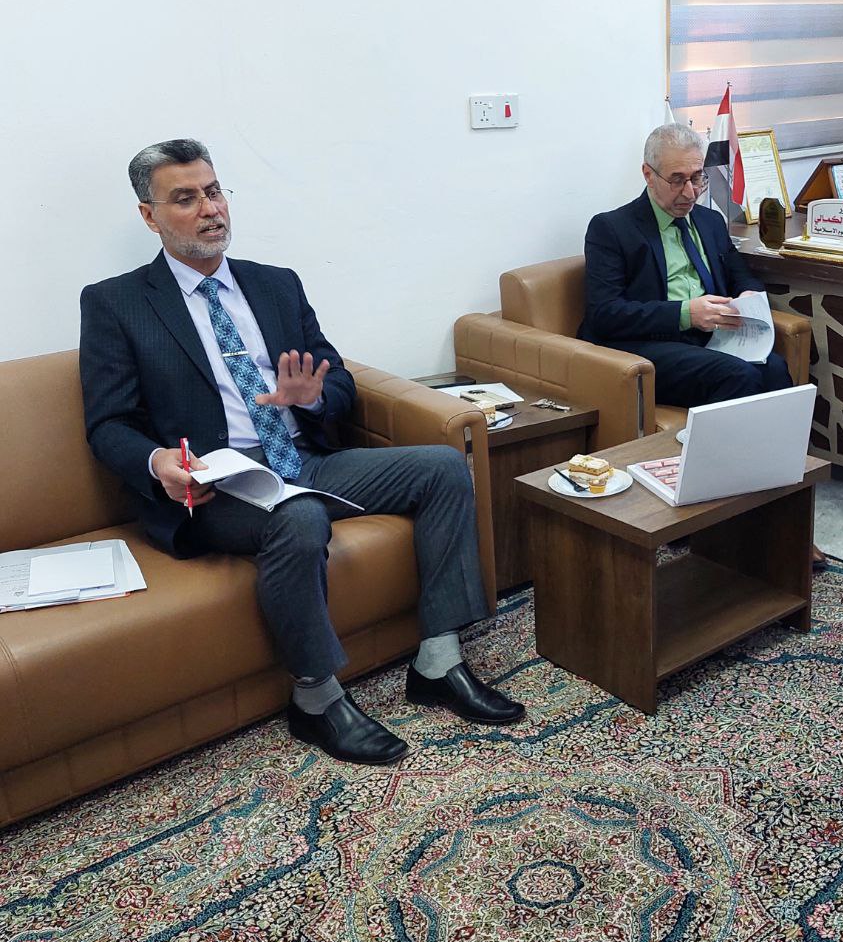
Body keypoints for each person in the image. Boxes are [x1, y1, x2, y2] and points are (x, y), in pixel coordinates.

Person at [79, 139, 524, 767]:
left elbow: (336, 378)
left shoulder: (275, 285)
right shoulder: (116, 303)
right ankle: (315, 697)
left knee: (444, 466)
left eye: (214, 191)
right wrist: (159, 464)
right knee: (299, 515)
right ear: (149, 216)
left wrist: (312, 398)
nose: (210, 209)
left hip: (303, 459)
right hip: (218, 485)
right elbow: (109, 424)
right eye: (185, 198)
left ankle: (438, 659)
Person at [578, 122, 792, 408]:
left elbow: (742, 276)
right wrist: (685, 314)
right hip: (648, 344)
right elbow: (604, 313)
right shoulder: (612, 228)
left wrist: (748, 295)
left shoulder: (710, 221)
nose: (691, 193)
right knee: (737, 375)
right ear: (648, 174)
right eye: (677, 180)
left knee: (775, 369)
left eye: (697, 177)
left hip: (709, 339)